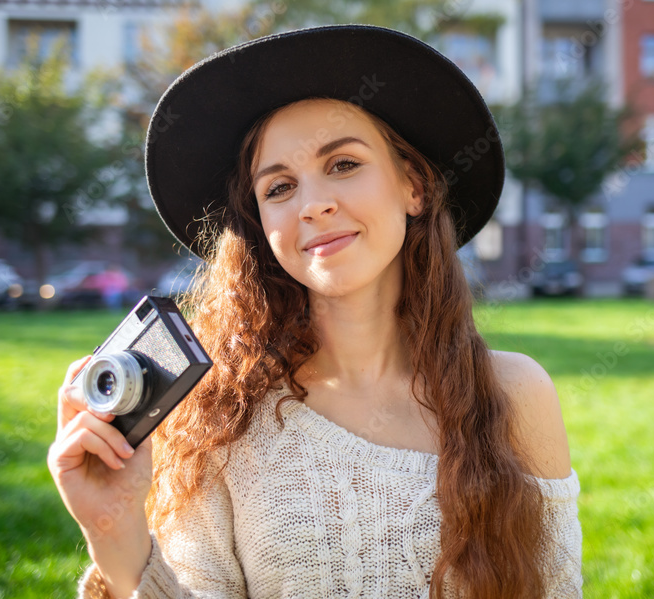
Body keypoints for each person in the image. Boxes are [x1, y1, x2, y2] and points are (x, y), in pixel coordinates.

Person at [48, 24, 581, 599]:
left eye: (344, 164)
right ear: (261, 228)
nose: (313, 204)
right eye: (278, 188)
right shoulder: (218, 420)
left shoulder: (513, 394)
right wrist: (117, 533)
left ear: (413, 186)